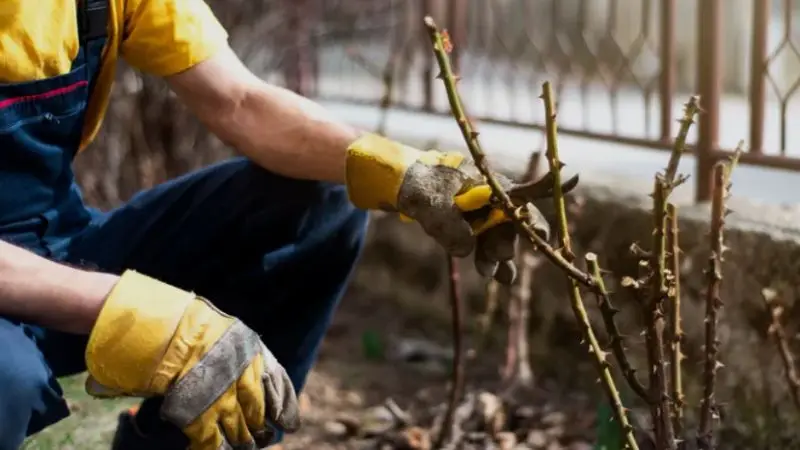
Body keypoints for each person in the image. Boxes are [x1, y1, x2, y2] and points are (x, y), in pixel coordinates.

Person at [0, 1, 556, 449]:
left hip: (57, 242)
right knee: (8, 379)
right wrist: (143, 317)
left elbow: (240, 101)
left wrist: (404, 173)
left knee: (318, 204)